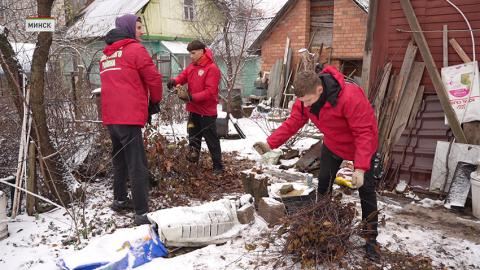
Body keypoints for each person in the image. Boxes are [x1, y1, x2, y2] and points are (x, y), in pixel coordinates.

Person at [253, 67, 380, 261]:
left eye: (308, 101)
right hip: (333, 144)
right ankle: (324, 225)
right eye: (302, 102)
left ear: (319, 89)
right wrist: (270, 143)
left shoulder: (350, 96)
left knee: (367, 191)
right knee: (323, 185)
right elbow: (294, 121)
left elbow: (365, 132)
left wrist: (361, 167)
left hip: (360, 146)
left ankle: (371, 240)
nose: (305, 105)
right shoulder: (306, 100)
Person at [99, 14, 163, 225]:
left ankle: (119, 199)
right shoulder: (135, 50)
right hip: (128, 117)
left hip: (111, 117)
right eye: (138, 27)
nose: (141, 31)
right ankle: (142, 212)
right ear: (128, 29)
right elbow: (153, 78)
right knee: (137, 164)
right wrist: (155, 101)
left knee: (119, 160)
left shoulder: (106, 55)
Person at [167, 40, 224, 174]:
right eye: (189, 53)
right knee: (193, 138)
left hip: (207, 112)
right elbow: (183, 76)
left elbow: (210, 92)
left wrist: (191, 97)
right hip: (193, 111)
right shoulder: (192, 67)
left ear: (202, 51)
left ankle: (218, 166)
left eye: (193, 53)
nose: (191, 56)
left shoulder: (212, 69)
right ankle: (193, 165)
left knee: (212, 140)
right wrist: (174, 81)